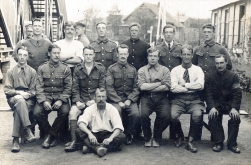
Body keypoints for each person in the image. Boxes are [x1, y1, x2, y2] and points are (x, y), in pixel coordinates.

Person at [64, 46, 106, 152]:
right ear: (83, 55)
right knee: (73, 113)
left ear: (94, 55)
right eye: (86, 54)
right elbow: (75, 87)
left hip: (95, 100)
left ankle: (89, 142)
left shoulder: (100, 68)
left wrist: (93, 100)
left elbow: (102, 87)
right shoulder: (78, 69)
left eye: (90, 54)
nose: (88, 57)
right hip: (81, 100)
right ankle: (74, 141)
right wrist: (78, 101)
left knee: (95, 115)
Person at [33, 44, 72, 149]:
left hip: (60, 96)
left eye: (58, 53)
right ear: (49, 54)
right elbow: (39, 87)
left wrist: (61, 100)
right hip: (46, 96)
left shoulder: (65, 68)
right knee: (37, 113)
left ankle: (50, 136)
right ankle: (53, 134)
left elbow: (68, 88)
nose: (56, 55)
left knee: (65, 111)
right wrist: (44, 101)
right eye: (54, 53)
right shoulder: (42, 68)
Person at [170, 45, 205, 153]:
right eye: (184, 54)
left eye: (188, 54)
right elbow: (173, 88)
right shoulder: (175, 70)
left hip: (194, 99)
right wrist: (190, 87)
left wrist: (184, 85)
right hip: (179, 99)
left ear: (192, 55)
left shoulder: (197, 69)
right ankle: (180, 136)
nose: (186, 57)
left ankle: (190, 140)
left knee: (197, 115)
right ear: (181, 55)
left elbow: (200, 85)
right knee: (172, 116)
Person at [205, 54, 242, 153]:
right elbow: (208, 94)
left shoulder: (233, 76)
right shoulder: (210, 76)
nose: (219, 65)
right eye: (217, 63)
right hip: (216, 104)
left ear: (226, 62)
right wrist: (211, 107)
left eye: (221, 63)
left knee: (235, 117)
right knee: (212, 116)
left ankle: (232, 144)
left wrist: (234, 108)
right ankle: (218, 142)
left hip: (229, 103)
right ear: (215, 64)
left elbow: (237, 93)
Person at [75, 88, 125, 157]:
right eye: (99, 96)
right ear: (95, 98)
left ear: (106, 97)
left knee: (122, 136)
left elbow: (118, 127)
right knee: (78, 131)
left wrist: (110, 138)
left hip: (107, 135)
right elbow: (81, 123)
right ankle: (101, 148)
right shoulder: (90, 109)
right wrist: (90, 134)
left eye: (103, 96)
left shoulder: (112, 109)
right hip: (94, 135)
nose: (101, 99)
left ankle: (92, 148)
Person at [4, 46, 37, 152]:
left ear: (28, 57)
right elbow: (7, 90)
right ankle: (27, 129)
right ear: (17, 56)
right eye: (20, 55)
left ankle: (15, 140)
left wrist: (24, 95)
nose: (22, 57)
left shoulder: (32, 72)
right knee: (20, 102)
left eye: (25, 55)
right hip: (13, 98)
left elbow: (33, 91)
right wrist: (17, 93)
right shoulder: (10, 71)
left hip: (28, 99)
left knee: (20, 106)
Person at [156, 23, 184, 145]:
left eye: (170, 32)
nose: (168, 34)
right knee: (161, 109)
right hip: (162, 84)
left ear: (174, 34)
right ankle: (157, 135)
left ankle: (174, 136)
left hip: (175, 84)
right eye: (166, 32)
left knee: (173, 110)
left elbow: (184, 66)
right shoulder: (157, 48)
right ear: (163, 34)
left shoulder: (179, 48)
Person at [106, 44, 140, 145]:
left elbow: (136, 88)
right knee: (116, 111)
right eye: (121, 54)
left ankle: (129, 133)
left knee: (135, 114)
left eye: (125, 54)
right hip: (116, 99)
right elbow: (109, 88)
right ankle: (118, 135)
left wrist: (129, 99)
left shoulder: (133, 70)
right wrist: (119, 101)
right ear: (117, 54)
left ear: (128, 54)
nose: (123, 56)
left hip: (129, 99)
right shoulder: (111, 69)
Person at [121, 22, 150, 140]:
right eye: (132, 30)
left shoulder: (145, 45)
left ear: (139, 31)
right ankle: (126, 132)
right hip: (126, 76)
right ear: (129, 31)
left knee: (137, 105)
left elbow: (147, 62)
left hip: (139, 77)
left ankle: (137, 132)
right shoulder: (124, 44)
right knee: (126, 106)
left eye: (136, 30)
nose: (134, 32)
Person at [138, 47, 171, 147]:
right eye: (150, 56)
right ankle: (147, 137)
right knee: (143, 115)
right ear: (147, 57)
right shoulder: (142, 70)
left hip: (162, 98)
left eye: (155, 56)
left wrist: (149, 87)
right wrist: (159, 83)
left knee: (166, 116)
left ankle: (157, 136)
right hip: (146, 98)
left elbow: (166, 87)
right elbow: (142, 87)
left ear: (158, 57)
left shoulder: (165, 70)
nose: (152, 58)